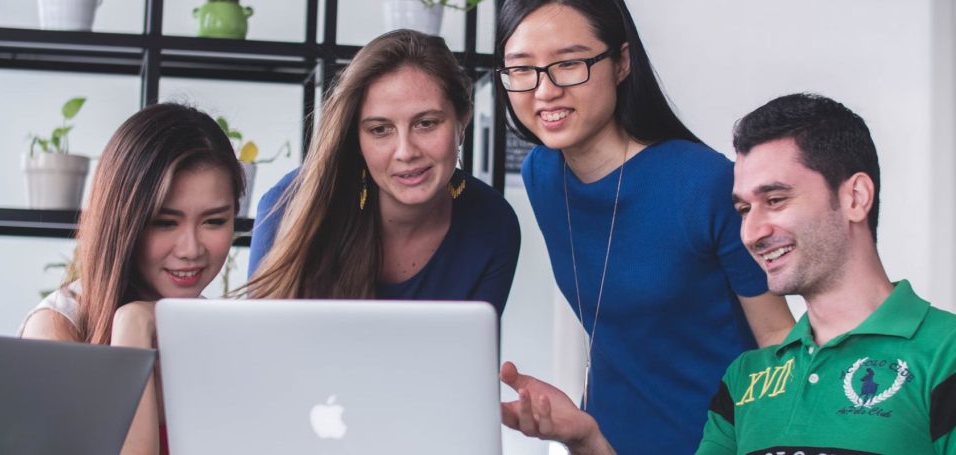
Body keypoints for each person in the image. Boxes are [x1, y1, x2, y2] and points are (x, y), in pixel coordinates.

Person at [494, 0, 794, 453]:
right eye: (522, 69)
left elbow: (777, 338)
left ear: (622, 62)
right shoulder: (542, 174)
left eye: (569, 64)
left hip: (719, 441)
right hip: (603, 440)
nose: (544, 90)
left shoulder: (705, 183)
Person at [696, 93, 956, 454]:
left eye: (774, 200)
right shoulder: (745, 378)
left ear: (855, 197)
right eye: (743, 209)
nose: (751, 233)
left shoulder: (947, 353)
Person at [20, 103, 245, 455]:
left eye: (214, 221)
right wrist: (132, 326)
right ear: (122, 222)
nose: (190, 249)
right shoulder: (56, 329)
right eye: (164, 222)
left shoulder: (218, 330)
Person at [246, 29, 520, 315]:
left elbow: (471, 355)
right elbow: (260, 348)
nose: (405, 151)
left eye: (426, 123)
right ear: (357, 138)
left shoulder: (494, 224)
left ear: (462, 121)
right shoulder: (290, 205)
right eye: (380, 130)